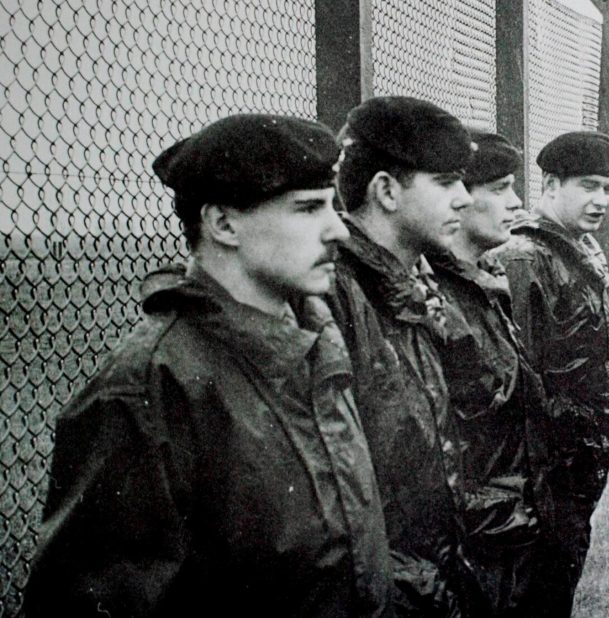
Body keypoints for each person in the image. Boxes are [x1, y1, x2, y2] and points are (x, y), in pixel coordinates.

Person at [23, 114, 393, 617]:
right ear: (222, 224)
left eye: (333, 207)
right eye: (308, 209)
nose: (339, 232)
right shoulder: (152, 385)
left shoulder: (316, 337)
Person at [297, 95, 476, 617]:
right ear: (386, 191)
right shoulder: (337, 297)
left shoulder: (409, 282)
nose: (464, 199)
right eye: (445, 182)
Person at [492, 131, 609, 617]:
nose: (601, 200)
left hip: (571, 477)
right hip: (540, 486)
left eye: (608, 188)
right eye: (589, 186)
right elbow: (517, 384)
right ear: (549, 185)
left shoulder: (577, 251)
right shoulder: (527, 259)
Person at [426, 130, 550, 616]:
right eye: (498, 189)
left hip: (504, 534)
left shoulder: (485, 283)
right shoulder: (438, 298)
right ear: (458, 200)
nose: (516, 203)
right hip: (472, 544)